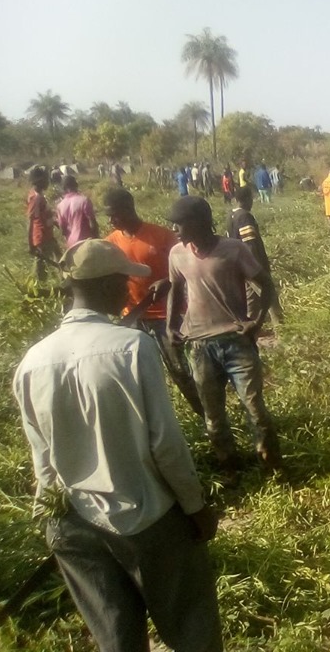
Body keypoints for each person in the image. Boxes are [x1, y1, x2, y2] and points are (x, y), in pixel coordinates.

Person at [13, 239, 222, 652]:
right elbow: (165, 444)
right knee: (192, 627)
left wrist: (53, 522)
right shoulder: (131, 348)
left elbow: (44, 460)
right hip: (144, 515)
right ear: (107, 284)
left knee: (117, 640)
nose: (129, 288)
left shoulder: (32, 362)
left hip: (73, 524)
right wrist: (195, 507)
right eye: (125, 280)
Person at [166, 196, 282, 477]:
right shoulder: (177, 253)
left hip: (236, 342)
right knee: (213, 417)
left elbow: (266, 284)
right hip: (199, 345)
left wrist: (256, 322)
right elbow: (175, 288)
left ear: (200, 222)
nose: (175, 229)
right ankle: (230, 468)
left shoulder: (233, 249)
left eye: (180, 223)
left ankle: (273, 467)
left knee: (255, 411)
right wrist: (171, 325)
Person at [103, 188, 205, 419]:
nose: (111, 221)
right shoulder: (110, 244)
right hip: (133, 318)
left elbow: (186, 267)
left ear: (128, 209)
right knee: (138, 376)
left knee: (181, 372)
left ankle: (208, 417)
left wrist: (168, 280)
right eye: (108, 216)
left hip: (166, 316)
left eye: (114, 214)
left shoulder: (161, 236)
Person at [228, 185, 283, 324]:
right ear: (247, 199)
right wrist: (257, 269)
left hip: (239, 265)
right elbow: (250, 244)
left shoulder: (231, 216)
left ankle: (248, 327)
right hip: (251, 266)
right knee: (269, 296)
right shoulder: (244, 217)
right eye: (251, 199)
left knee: (252, 300)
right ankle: (281, 329)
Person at [26, 166, 61, 281]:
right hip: (42, 237)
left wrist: (54, 221)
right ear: (39, 181)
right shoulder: (35, 198)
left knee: (58, 258)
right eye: (46, 179)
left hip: (47, 235)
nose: (48, 182)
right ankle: (39, 287)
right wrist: (30, 244)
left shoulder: (40, 195)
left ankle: (62, 281)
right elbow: (30, 221)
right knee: (41, 267)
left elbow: (42, 216)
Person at [55, 174, 99, 249]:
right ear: (76, 185)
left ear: (64, 188)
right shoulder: (84, 200)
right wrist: (96, 238)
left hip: (72, 244)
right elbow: (92, 223)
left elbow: (63, 229)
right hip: (87, 241)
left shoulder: (60, 206)